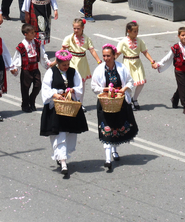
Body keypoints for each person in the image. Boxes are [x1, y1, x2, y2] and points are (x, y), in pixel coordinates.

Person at [91, 44, 138, 172]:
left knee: (116, 127)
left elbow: (130, 81)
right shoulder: (99, 69)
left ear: (113, 56)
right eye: (104, 55)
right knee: (107, 129)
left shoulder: (122, 68)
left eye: (108, 56)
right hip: (105, 103)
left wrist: (123, 89)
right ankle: (107, 159)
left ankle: (115, 150)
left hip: (119, 102)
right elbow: (93, 85)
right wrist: (104, 89)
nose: (106, 58)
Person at [40, 50, 87, 176]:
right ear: (58, 64)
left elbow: (79, 87)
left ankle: (64, 156)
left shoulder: (73, 72)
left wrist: (72, 91)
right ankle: (63, 162)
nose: (66, 67)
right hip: (56, 108)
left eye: (67, 64)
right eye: (63, 65)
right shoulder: (51, 72)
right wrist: (55, 94)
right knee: (59, 134)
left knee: (69, 133)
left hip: (69, 107)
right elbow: (45, 88)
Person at [117, 21, 157, 111]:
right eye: (134, 31)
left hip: (137, 62)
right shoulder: (123, 42)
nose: (136, 33)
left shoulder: (139, 41)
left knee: (141, 82)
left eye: (137, 31)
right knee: (129, 83)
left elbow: (145, 52)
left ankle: (134, 99)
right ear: (129, 31)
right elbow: (117, 53)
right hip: (127, 63)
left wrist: (152, 61)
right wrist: (110, 62)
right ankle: (128, 102)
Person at [12, 24, 51, 113]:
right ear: (25, 34)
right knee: (25, 88)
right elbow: (17, 58)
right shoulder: (21, 46)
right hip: (26, 70)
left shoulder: (37, 43)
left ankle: (32, 100)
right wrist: (15, 68)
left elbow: (42, 54)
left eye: (34, 32)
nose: (34, 34)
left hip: (35, 68)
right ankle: (25, 105)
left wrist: (47, 63)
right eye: (32, 33)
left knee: (38, 85)